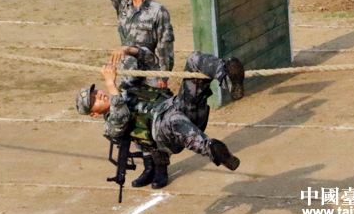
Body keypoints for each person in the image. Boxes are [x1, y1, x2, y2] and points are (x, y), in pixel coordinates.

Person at [76, 46, 245, 189]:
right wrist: (110, 83)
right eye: (94, 100)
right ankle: (214, 150)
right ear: (94, 113)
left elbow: (150, 62)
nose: (99, 96)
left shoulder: (127, 87)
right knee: (172, 120)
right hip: (170, 135)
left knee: (194, 59)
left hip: (184, 109)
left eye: (95, 92)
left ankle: (229, 78)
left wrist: (128, 49)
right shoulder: (110, 127)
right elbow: (120, 113)